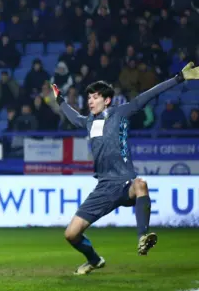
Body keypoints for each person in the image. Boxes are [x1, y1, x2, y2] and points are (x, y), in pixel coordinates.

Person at [53, 62, 199, 275]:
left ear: (107, 100)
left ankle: (143, 236)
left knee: (141, 184)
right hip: (103, 188)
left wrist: (178, 78)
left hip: (124, 184)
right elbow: (72, 116)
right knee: (71, 235)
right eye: (89, 97)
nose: (90, 101)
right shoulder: (88, 122)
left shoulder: (120, 113)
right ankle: (94, 260)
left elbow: (147, 96)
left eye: (95, 97)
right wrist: (59, 100)